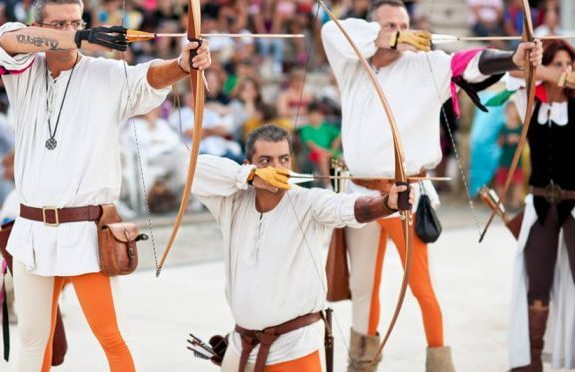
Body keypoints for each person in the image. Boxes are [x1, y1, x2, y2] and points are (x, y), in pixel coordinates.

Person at [0, 0, 211, 369]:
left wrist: (184, 65)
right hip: (32, 232)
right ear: (39, 26)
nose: (70, 29)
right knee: (32, 341)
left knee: (111, 336)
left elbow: (151, 75)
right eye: (58, 24)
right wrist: (76, 36)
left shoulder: (106, 74)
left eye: (76, 21)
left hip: (85, 232)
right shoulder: (22, 69)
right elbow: (7, 39)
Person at [321, 0, 543, 370]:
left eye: (405, 22)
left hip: (405, 195)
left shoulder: (427, 65)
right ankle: (361, 362)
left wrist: (513, 59)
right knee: (363, 285)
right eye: (391, 23)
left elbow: (470, 63)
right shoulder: (352, 64)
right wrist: (388, 38)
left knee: (420, 287)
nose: (401, 29)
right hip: (358, 194)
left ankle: (440, 362)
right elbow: (333, 30)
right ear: (375, 27)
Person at [192, 124, 413, 372]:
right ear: (248, 164)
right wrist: (249, 176)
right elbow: (194, 169)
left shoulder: (308, 201)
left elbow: (349, 207)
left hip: (293, 350)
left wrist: (388, 203)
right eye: (266, 160)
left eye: (283, 159)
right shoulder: (232, 202)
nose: (277, 168)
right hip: (240, 346)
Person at [505, 39, 575, 371]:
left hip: (574, 206)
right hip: (541, 205)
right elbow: (511, 77)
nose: (565, 70)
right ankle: (532, 362)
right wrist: (529, 57)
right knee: (538, 285)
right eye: (557, 64)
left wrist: (548, 71)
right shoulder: (530, 101)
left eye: (568, 65)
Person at [298, 102, 341, 187]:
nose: (315, 117)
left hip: (329, 152)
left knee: (341, 159)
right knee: (323, 159)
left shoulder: (327, 127)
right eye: (312, 114)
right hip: (313, 154)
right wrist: (327, 152)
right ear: (308, 115)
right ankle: (328, 185)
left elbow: (339, 135)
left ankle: (340, 184)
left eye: (317, 114)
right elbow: (312, 145)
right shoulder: (306, 129)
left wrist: (333, 148)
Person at [494, 100, 524, 211]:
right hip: (504, 160)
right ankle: (502, 203)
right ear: (506, 111)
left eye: (514, 109)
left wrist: (518, 139)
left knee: (517, 182)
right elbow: (499, 143)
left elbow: (524, 142)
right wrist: (506, 139)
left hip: (516, 161)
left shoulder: (521, 127)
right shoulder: (503, 127)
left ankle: (515, 203)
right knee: (501, 182)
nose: (512, 112)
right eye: (510, 110)